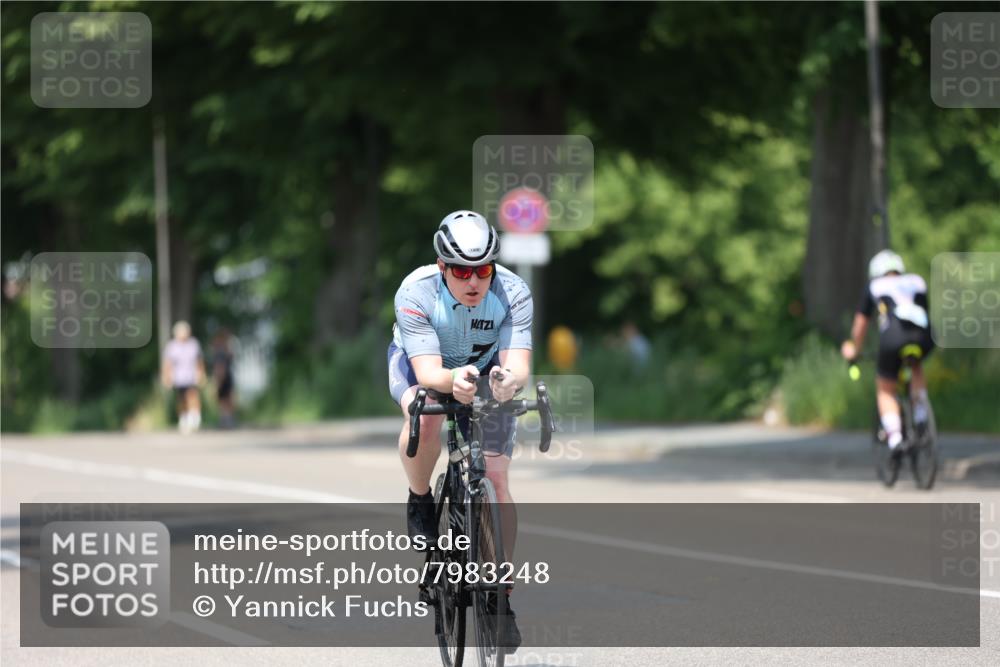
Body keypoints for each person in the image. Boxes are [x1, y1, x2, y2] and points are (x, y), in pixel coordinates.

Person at [388, 210, 532, 650]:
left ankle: (499, 594)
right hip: (423, 364)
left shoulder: (513, 291)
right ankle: (420, 498)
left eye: (483, 270)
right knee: (424, 412)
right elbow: (429, 371)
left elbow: (518, 365)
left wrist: (508, 381)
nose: (474, 281)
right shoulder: (415, 291)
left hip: (485, 367)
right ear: (441, 266)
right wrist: (454, 382)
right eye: (462, 271)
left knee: (496, 477)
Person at [841, 250, 933, 454]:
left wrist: (854, 349)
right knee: (916, 365)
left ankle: (895, 437)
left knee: (885, 388)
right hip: (923, 336)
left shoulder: (874, 285)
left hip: (894, 337)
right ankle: (920, 415)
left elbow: (861, 324)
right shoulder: (917, 281)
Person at [161, 320, 206, 434]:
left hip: (191, 375)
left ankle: (195, 418)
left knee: (192, 395)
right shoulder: (172, 346)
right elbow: (168, 363)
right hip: (179, 377)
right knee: (181, 398)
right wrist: (167, 377)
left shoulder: (193, 344)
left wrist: (201, 373)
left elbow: (199, 361)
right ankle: (183, 418)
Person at [211, 329, 237, 429]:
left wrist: (218, 382)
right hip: (227, 377)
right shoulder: (224, 353)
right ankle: (228, 419)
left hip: (223, 378)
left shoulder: (219, 354)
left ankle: (226, 419)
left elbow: (219, 369)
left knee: (224, 400)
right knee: (226, 399)